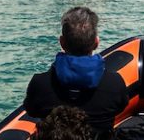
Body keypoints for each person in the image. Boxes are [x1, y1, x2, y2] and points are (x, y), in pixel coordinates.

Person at [24, 7, 129, 136]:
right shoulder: (114, 83)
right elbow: (121, 106)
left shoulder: (39, 83)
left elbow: (32, 111)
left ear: (62, 42)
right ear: (96, 43)